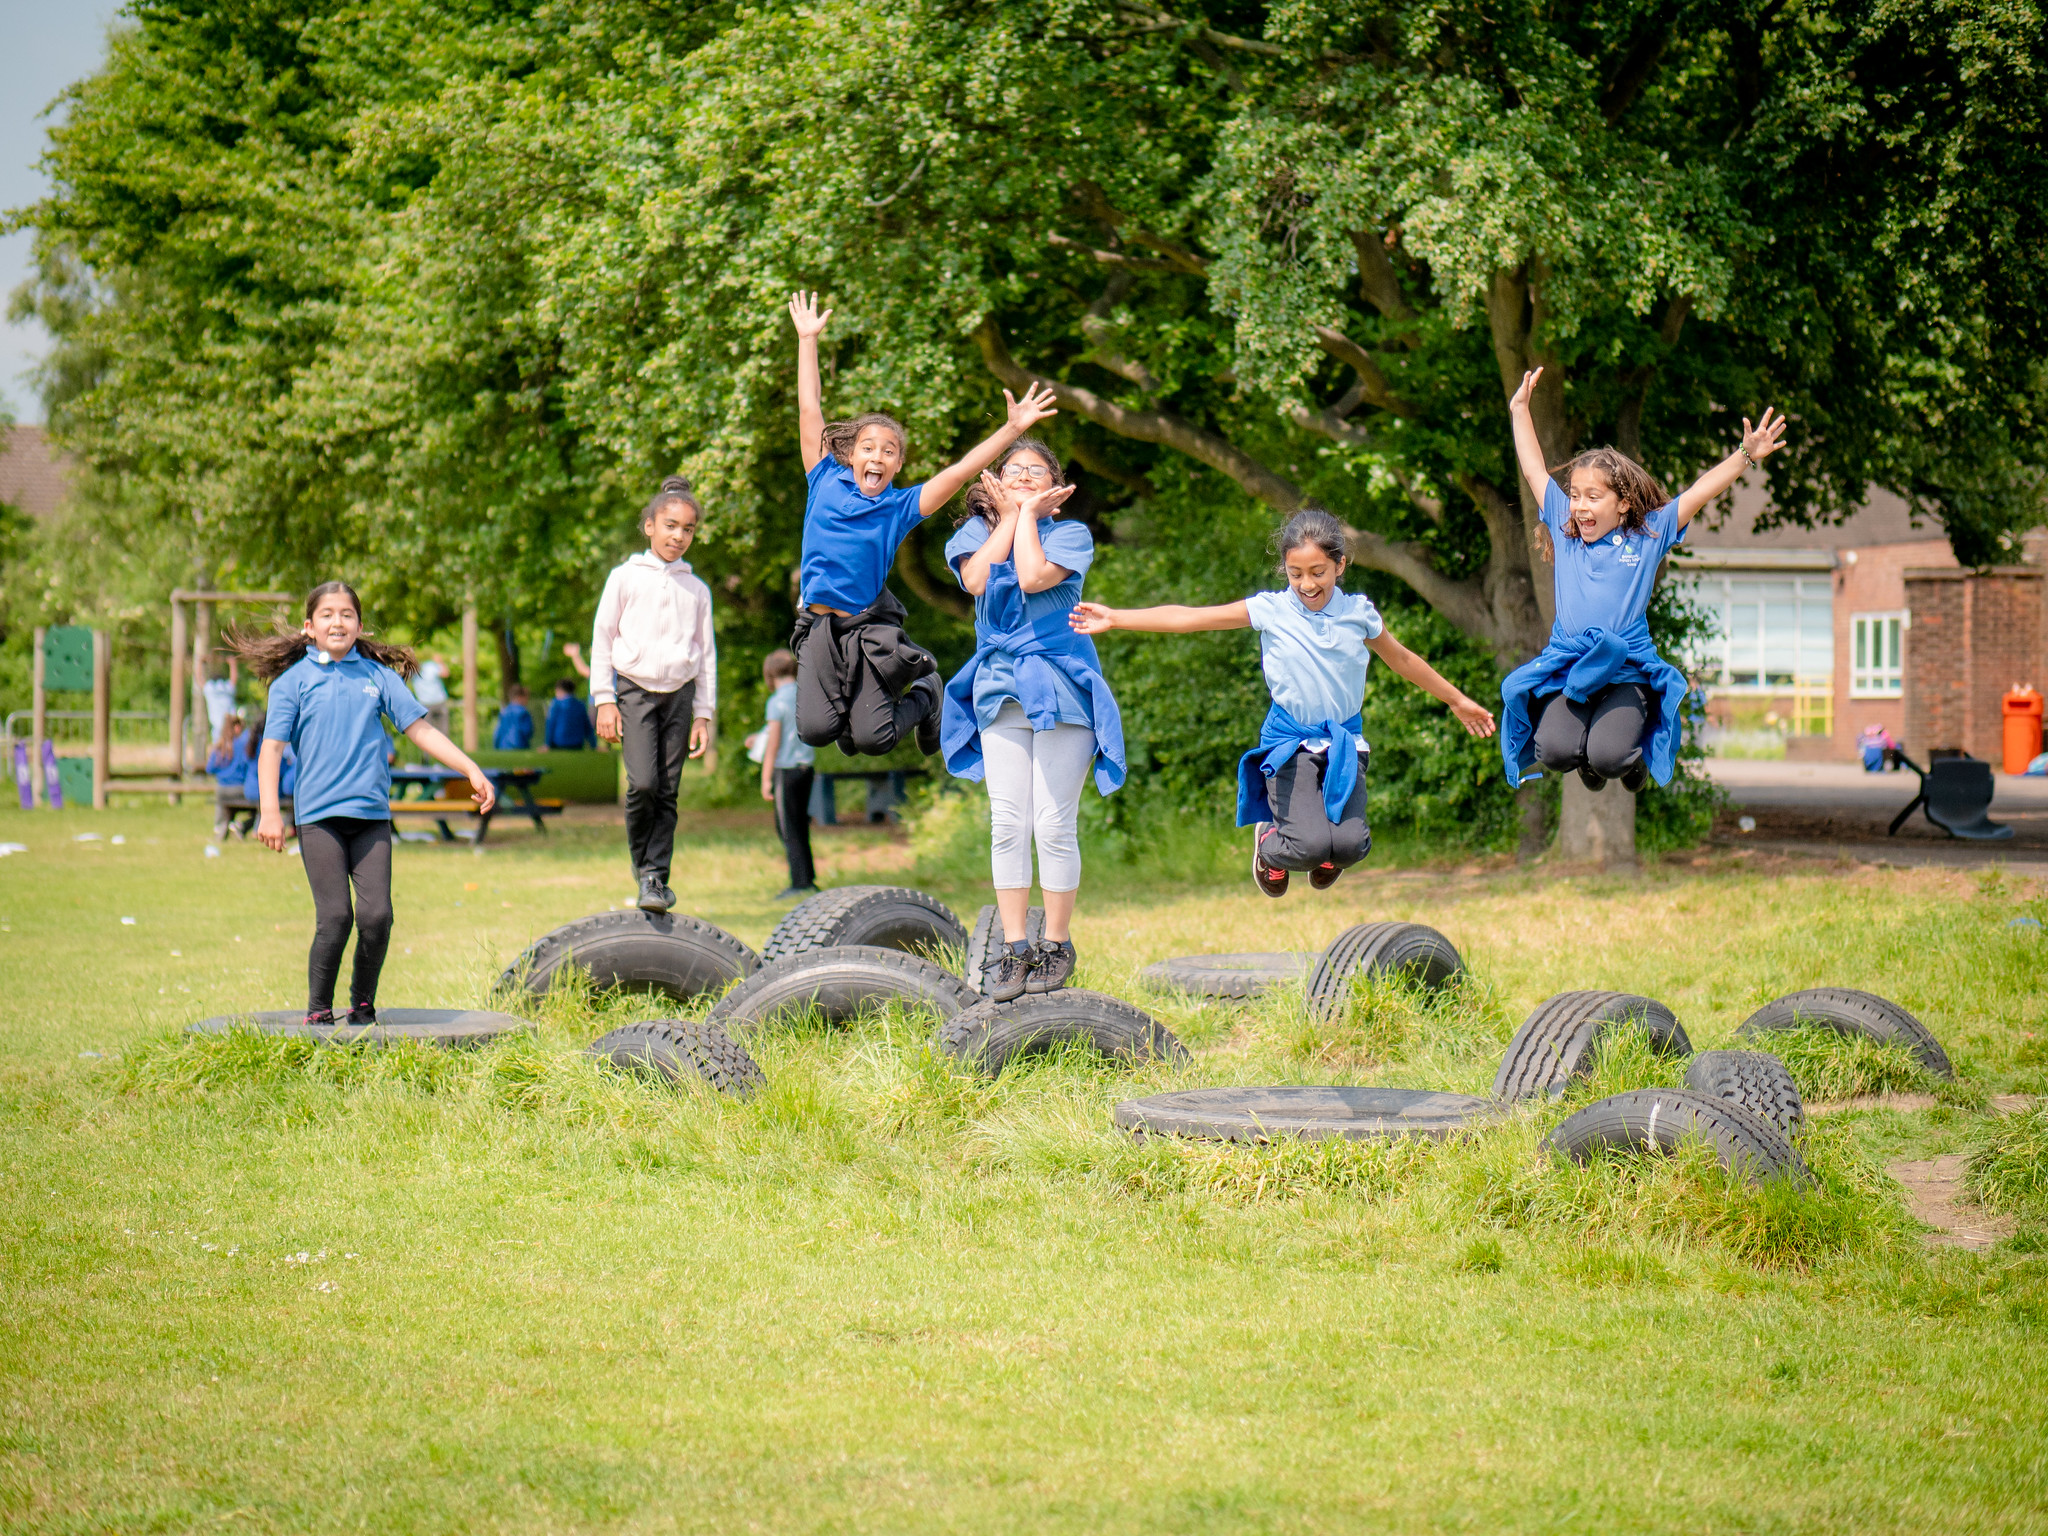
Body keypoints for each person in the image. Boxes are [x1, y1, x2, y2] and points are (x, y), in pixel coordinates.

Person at [1070, 508, 1495, 897]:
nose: (1307, 584)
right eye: (1296, 574)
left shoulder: (1359, 614)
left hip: (1344, 741)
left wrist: (1456, 700)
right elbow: (1191, 617)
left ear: (1340, 565)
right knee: (1308, 846)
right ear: (1285, 571)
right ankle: (1269, 844)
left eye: (1318, 572)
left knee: (1350, 846)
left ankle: (1325, 852)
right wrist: (1117, 617)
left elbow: (1402, 659)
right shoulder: (1271, 610)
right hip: (1289, 744)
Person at [786, 290, 1060, 757]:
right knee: (816, 731)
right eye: (868, 447)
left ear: (896, 467)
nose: (877, 456)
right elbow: (811, 408)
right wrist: (807, 340)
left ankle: (928, 693)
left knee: (871, 740)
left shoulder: (900, 506)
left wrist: (1012, 429)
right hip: (817, 627)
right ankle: (884, 703)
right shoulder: (824, 477)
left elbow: (958, 472)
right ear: (850, 455)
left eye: (889, 451)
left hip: (867, 628)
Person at [1500, 368, 1788, 792]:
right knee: (1555, 752)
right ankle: (1589, 759)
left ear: (1623, 504)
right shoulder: (1566, 526)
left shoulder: (1648, 533)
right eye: (1575, 495)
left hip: (1626, 670)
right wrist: (1520, 410)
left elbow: (1699, 491)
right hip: (1571, 668)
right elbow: (1533, 470)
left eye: (1593, 497)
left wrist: (1744, 455)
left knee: (1611, 756)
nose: (1579, 506)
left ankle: (1626, 761)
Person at [235, 582, 496, 1028]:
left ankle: (361, 1004)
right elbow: (271, 750)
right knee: (335, 916)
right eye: (327, 614)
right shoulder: (292, 684)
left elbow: (421, 731)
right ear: (309, 627)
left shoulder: (379, 677)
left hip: (371, 817)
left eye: (347, 615)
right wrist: (270, 812)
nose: (337, 622)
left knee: (377, 917)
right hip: (319, 819)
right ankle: (318, 1009)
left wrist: (470, 768)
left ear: (359, 625)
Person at [942, 441, 1123, 999]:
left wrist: (1025, 516)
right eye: (1013, 471)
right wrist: (1014, 516)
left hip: (1063, 688)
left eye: (1035, 472)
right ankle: (1015, 948)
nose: (1022, 476)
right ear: (995, 480)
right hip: (1000, 690)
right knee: (1007, 823)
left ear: (1056, 488)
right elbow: (976, 580)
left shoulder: (1070, 535)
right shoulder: (975, 534)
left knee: (1052, 824)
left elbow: (1030, 576)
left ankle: (1057, 943)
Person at [591, 476, 717, 913]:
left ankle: (655, 879)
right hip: (634, 691)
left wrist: (704, 713)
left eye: (688, 529)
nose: (678, 536)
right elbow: (602, 639)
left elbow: (706, 655)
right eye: (670, 525)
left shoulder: (696, 590)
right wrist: (604, 699)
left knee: (668, 790)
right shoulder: (624, 578)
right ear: (649, 526)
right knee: (643, 783)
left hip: (680, 695)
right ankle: (642, 866)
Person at [756, 649, 817, 900]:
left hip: (785, 771)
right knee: (800, 824)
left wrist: (765, 779)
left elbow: (774, 745)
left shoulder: (776, 702)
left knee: (787, 828)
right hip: (806, 769)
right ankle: (808, 878)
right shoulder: (806, 695)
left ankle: (799, 883)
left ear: (770, 673)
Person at [206, 713, 244, 838]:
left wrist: (223, 773)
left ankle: (220, 827)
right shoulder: (242, 745)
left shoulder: (219, 747)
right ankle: (239, 825)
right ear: (236, 727)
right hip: (239, 788)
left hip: (221, 788)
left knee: (223, 800)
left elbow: (209, 768)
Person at [544, 677, 596, 750]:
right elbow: (587, 727)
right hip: (577, 744)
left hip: (559, 743)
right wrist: (594, 745)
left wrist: (547, 744)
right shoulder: (580, 705)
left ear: (559, 690)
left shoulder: (556, 704)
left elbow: (551, 725)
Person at [411, 653, 452, 735]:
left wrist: (440, 662)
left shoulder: (429, 666)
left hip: (439, 702)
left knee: (443, 732)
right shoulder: (411, 672)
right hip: (425, 705)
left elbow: (445, 673)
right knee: (427, 733)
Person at [493, 684, 535, 750]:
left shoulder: (504, 712)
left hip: (503, 746)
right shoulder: (523, 712)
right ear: (520, 697)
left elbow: (498, 732)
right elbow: (528, 731)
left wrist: (496, 746)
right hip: (519, 746)